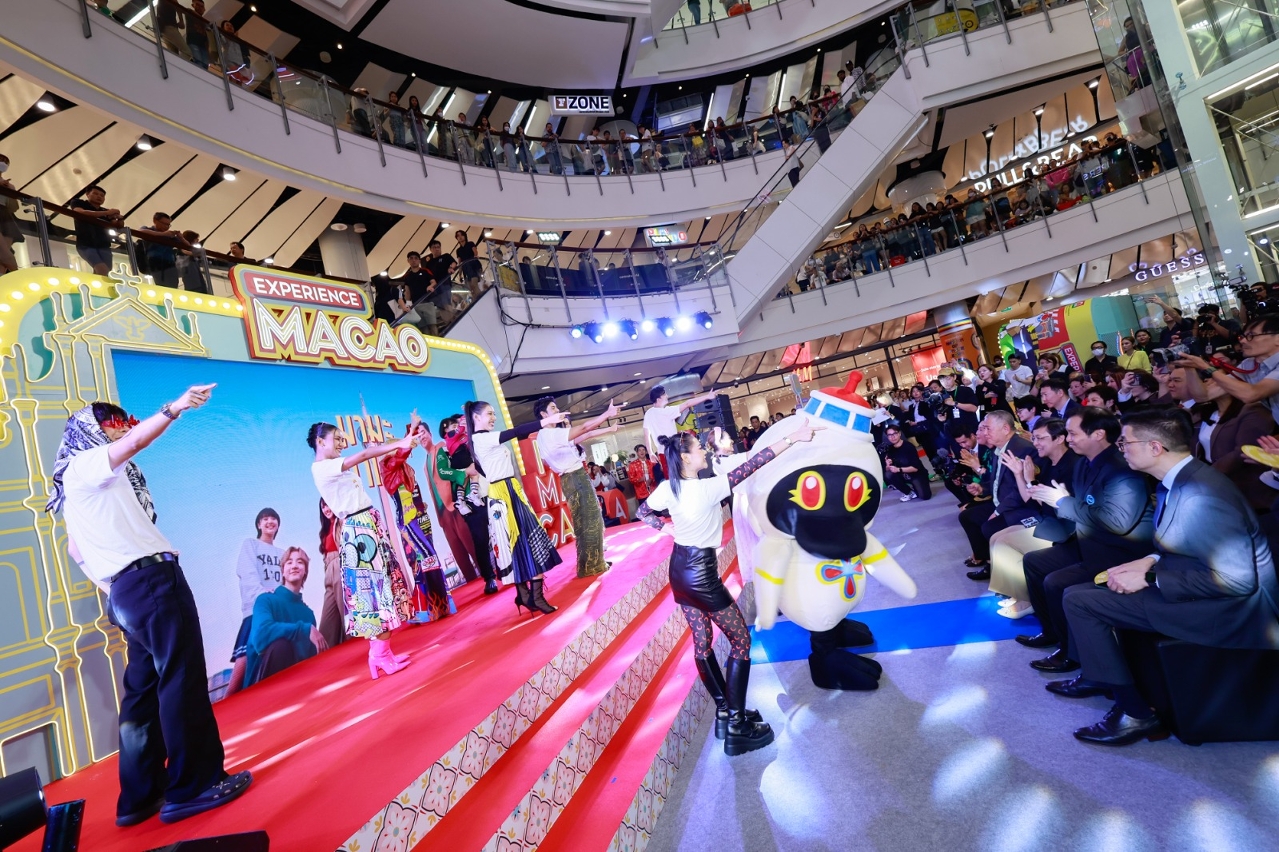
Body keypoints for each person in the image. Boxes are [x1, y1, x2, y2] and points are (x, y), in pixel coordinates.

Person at [47, 384, 253, 825]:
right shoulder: (86, 464)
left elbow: (76, 550)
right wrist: (176, 407)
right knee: (182, 678)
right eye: (109, 422)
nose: (119, 428)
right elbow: (135, 442)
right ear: (86, 431)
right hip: (150, 581)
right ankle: (194, 786)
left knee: (142, 695)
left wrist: (115, 591)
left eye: (120, 420)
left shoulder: (78, 483)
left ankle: (141, 797)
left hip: (129, 590)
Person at [1060, 409, 1279, 745]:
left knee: (1080, 601)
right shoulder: (1180, 479)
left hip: (1235, 610)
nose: (1121, 448)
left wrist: (1151, 579)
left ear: (1155, 447)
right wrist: (1148, 561)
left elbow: (1238, 582)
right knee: (1084, 590)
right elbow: (1182, 542)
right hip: (1199, 584)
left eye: (1126, 442)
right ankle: (1103, 677)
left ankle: (1135, 713)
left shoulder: (1201, 494)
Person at [638, 422, 821, 756]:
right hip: (702, 576)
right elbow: (756, 462)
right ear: (685, 458)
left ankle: (725, 711)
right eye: (698, 448)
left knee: (702, 642)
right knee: (741, 641)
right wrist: (793, 437)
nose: (704, 451)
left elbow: (643, 511)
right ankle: (737, 724)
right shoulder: (707, 488)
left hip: (679, 571)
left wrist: (665, 530)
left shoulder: (668, 488)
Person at [1016, 408, 1154, 676]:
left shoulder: (1120, 469)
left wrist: (1063, 502)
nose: (1068, 439)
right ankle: (1054, 633)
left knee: (1056, 582)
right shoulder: (1083, 463)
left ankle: (1072, 654)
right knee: (1034, 561)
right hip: (1089, 543)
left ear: (1098, 434)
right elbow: (1081, 507)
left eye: (1073, 433)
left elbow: (1117, 523)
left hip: (1118, 553)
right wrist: (1063, 502)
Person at [308, 419, 418, 679]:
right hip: (359, 530)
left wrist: (404, 439)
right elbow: (365, 455)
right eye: (336, 439)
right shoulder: (322, 468)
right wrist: (400, 443)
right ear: (320, 442)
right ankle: (379, 656)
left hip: (367, 524)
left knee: (382, 588)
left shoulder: (333, 465)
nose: (340, 444)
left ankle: (383, 653)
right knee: (375, 593)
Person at [465, 400, 565, 614]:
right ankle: (533, 597)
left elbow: (484, 468)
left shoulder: (484, 440)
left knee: (522, 541)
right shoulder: (481, 438)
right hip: (503, 494)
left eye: (493, 413)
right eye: (489, 414)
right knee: (518, 541)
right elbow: (516, 431)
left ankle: (525, 595)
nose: (493, 417)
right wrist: (546, 421)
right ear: (476, 418)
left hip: (508, 490)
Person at [988, 417, 1080, 618]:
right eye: (1034, 438)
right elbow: (1028, 498)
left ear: (1059, 439)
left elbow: (1058, 507)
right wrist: (1019, 475)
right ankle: (1017, 593)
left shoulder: (1072, 465)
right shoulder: (1046, 462)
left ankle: (1026, 600)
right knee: (996, 537)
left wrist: (1030, 480)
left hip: (1065, 528)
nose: (1035, 443)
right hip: (1047, 520)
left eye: (1040, 438)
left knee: (1004, 543)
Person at [379, 422, 457, 623]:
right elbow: (402, 453)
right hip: (407, 523)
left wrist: (412, 430)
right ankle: (433, 608)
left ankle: (439, 606)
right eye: (397, 446)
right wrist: (410, 432)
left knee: (428, 559)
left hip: (415, 519)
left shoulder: (403, 468)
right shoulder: (387, 466)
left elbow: (406, 450)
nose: (402, 448)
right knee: (426, 559)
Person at [534, 397, 619, 578]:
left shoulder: (545, 436)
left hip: (569, 478)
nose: (558, 410)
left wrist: (609, 428)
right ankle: (593, 565)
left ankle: (589, 564)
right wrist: (607, 414)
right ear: (543, 414)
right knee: (591, 521)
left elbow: (585, 434)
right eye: (553, 408)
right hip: (575, 477)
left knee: (584, 523)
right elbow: (585, 428)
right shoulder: (550, 433)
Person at [957, 411, 1037, 578]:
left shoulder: (1022, 449)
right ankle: (988, 560)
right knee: (967, 516)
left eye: (988, 428)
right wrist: (982, 489)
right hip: (1000, 501)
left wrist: (998, 511)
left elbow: (1020, 490)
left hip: (1020, 507)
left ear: (1005, 428)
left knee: (989, 527)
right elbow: (997, 481)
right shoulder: (1000, 448)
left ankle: (1005, 570)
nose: (985, 433)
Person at [1176, 313, 1279, 427]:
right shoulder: (1250, 364)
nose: (1243, 341)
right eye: (1243, 336)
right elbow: (1203, 396)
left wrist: (1206, 367)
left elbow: (1251, 394)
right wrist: (1189, 366)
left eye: (1251, 335)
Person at [243, 547, 325, 687]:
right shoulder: (265, 600)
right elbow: (261, 637)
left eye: (300, 562)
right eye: (289, 562)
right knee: (281, 646)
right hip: (260, 688)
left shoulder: (308, 615)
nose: (294, 566)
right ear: (282, 571)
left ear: (305, 571)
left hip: (297, 684)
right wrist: (303, 629)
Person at [224, 507, 283, 698]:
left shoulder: (282, 553)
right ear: (259, 524)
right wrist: (262, 594)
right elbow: (246, 571)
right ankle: (228, 700)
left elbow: (288, 580)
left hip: (277, 610)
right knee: (245, 656)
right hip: (256, 608)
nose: (270, 522)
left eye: (273, 519)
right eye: (265, 519)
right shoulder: (251, 545)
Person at [439, 414, 497, 592]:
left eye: (461, 424)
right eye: (455, 425)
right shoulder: (444, 449)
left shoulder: (473, 439)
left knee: (500, 531)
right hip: (468, 499)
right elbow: (442, 471)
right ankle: (489, 577)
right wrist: (465, 472)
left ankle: (507, 567)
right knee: (480, 537)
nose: (458, 427)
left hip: (491, 489)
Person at [642, 384, 716, 460]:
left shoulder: (648, 413)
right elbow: (687, 404)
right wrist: (707, 396)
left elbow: (646, 435)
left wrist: (650, 453)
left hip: (662, 453)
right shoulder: (667, 411)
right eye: (664, 394)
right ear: (658, 399)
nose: (667, 396)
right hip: (674, 450)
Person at [69, 184, 122, 275]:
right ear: (87, 194)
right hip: (86, 244)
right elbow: (79, 212)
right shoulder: (78, 202)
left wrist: (119, 218)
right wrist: (107, 213)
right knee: (102, 270)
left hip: (104, 245)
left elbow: (118, 225)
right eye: (95, 194)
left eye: (102, 195)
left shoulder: (105, 211)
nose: (99, 197)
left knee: (105, 272)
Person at [316, 498, 345, 649]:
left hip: (341, 567)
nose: (326, 509)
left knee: (346, 614)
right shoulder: (324, 530)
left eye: (328, 505)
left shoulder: (341, 522)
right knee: (327, 621)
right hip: (329, 572)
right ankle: (325, 651)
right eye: (323, 507)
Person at [138, 212, 192, 288]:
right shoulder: (149, 230)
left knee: (173, 285)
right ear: (155, 221)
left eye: (168, 225)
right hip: (156, 262)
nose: (166, 227)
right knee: (162, 284)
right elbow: (140, 231)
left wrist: (181, 237)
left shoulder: (170, 236)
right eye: (164, 224)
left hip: (170, 264)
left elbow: (188, 246)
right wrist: (163, 234)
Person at [883, 424, 931, 501]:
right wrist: (888, 465)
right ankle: (908, 492)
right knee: (888, 475)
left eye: (895, 433)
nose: (892, 437)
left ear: (899, 433)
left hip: (916, 474)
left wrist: (898, 470)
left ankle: (917, 486)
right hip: (903, 474)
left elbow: (915, 468)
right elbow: (888, 470)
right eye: (889, 435)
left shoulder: (908, 447)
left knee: (924, 496)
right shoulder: (890, 449)